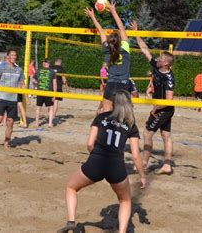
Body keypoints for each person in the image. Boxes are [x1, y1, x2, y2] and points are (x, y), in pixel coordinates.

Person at [58, 91, 146, 233]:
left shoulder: (101, 117)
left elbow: (89, 144)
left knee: (71, 187)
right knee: (125, 200)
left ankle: (71, 221)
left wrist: (95, 156)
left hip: (96, 161)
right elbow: (135, 155)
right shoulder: (131, 125)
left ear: (113, 102)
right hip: (116, 166)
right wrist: (142, 176)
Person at [130, 21, 175, 175]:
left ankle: (143, 163)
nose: (158, 58)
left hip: (164, 108)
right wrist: (136, 33)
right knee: (165, 135)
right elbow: (145, 50)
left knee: (147, 133)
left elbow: (169, 100)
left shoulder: (169, 77)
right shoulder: (157, 66)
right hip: (161, 108)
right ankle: (167, 165)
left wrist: (156, 108)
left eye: (161, 58)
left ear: (166, 64)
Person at [84, 1, 131, 113]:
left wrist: (93, 17)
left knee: (106, 114)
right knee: (121, 116)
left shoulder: (106, 49)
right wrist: (113, 11)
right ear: (120, 41)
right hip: (123, 86)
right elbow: (121, 28)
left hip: (110, 85)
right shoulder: (125, 48)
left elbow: (100, 31)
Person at [0, 50, 25, 150]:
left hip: (13, 99)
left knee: (10, 122)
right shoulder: (1, 67)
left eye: (15, 55)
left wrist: (27, 96)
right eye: (12, 55)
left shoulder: (19, 69)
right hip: (2, 98)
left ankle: (6, 142)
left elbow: (22, 84)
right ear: (7, 56)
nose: (14, 56)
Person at [33, 59, 57, 128]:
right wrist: (54, 94)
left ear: (44, 63)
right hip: (48, 92)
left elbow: (34, 80)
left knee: (38, 108)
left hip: (40, 91)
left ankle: (37, 123)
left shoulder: (38, 70)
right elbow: (54, 83)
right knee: (50, 107)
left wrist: (37, 83)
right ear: (48, 64)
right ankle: (50, 123)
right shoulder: (52, 72)